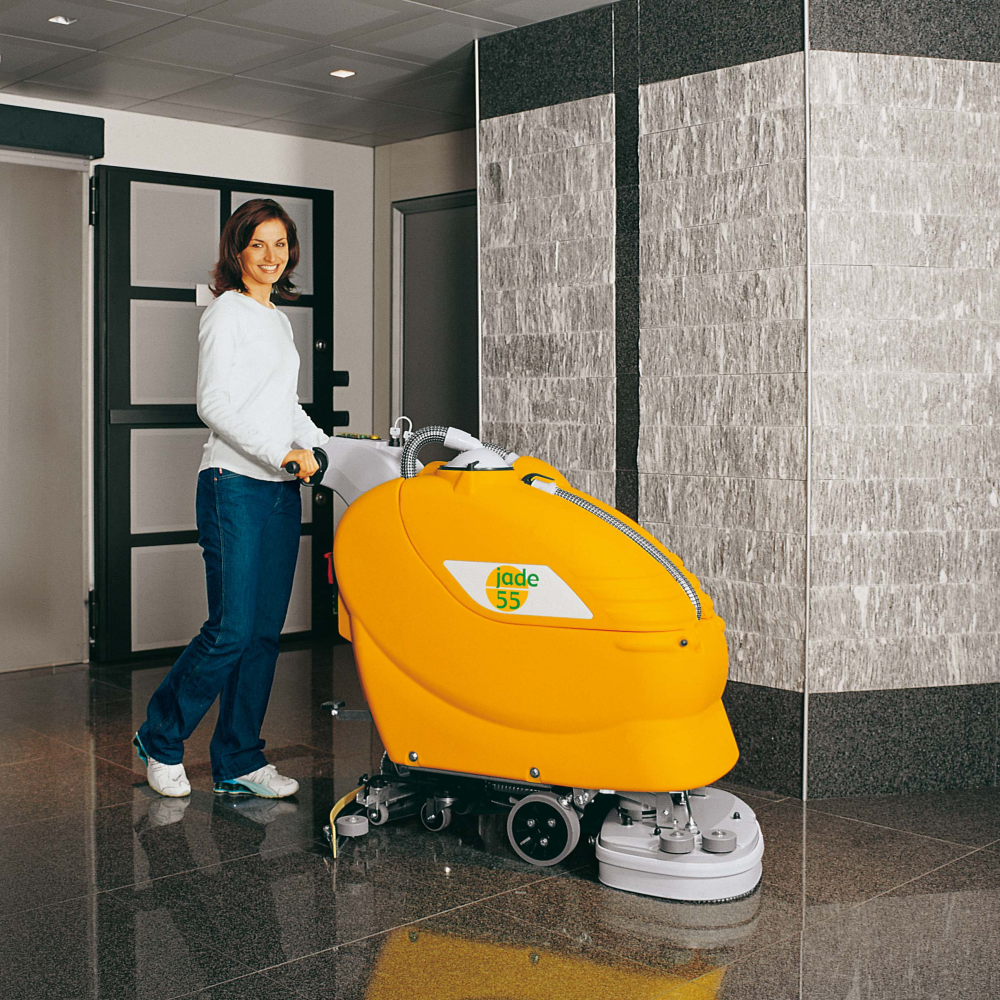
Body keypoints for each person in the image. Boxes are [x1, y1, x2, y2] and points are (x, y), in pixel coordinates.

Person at [133, 197, 327, 799]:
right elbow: (213, 403)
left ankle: (239, 759)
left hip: (279, 492)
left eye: (280, 244)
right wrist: (280, 452)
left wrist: (327, 448)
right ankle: (161, 737)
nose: (271, 256)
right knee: (231, 630)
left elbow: (284, 405)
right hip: (233, 486)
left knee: (264, 632)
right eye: (258, 244)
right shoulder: (227, 313)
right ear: (237, 251)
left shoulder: (277, 319)